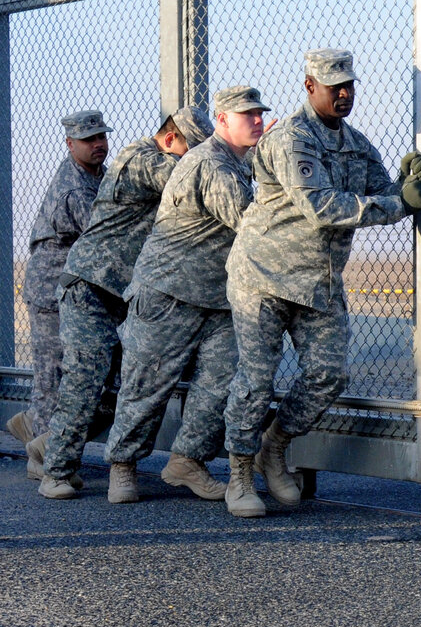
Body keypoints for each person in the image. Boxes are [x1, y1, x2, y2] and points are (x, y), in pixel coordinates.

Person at [222, 50, 421, 516]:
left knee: (329, 374)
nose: (344, 93)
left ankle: (274, 447)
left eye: (349, 85)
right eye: (334, 85)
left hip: (318, 283)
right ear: (309, 86)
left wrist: (409, 181)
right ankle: (239, 474)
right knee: (256, 380)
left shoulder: (357, 144)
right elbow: (322, 206)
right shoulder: (291, 138)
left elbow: (384, 190)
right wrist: (402, 203)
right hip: (264, 277)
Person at [99, 88, 268, 508]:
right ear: (223, 120)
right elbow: (251, 223)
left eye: (259, 114)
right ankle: (123, 465)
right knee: (147, 383)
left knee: (222, 380)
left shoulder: (235, 161)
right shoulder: (211, 164)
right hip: (168, 292)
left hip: (216, 298)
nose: (258, 121)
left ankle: (187, 461)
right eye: (247, 115)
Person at [35, 106, 214, 501]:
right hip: (89, 288)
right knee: (86, 379)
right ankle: (57, 472)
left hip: (123, 295)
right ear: (171, 140)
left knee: (125, 388)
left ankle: (47, 445)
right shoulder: (139, 158)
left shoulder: (164, 163)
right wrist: (236, 155)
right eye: (195, 150)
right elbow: (189, 176)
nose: (200, 158)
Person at [14, 110, 109, 478]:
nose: (98, 144)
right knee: (52, 376)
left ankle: (35, 428)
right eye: (88, 140)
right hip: (51, 292)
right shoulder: (75, 189)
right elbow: (105, 239)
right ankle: (42, 458)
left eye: (101, 136)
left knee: (78, 376)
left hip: (77, 288)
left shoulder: (98, 175)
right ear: (70, 144)